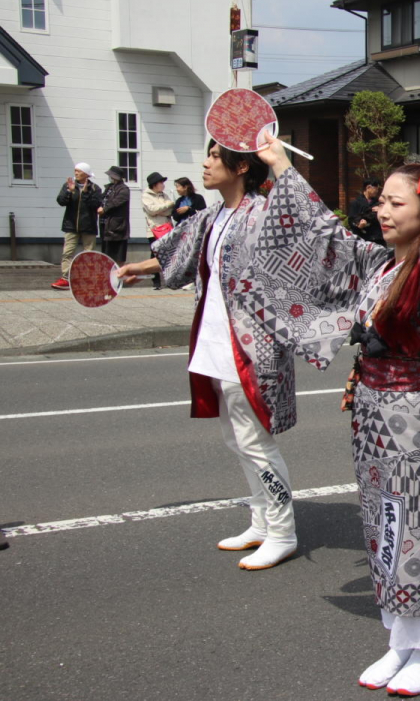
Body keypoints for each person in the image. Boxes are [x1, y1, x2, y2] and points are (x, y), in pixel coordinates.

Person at [234, 106, 420, 695]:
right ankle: (399, 635)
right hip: (371, 414)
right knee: (382, 523)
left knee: (416, 524)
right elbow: (321, 236)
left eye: (398, 202)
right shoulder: (376, 263)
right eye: (382, 201)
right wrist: (278, 169)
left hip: (412, 417)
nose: (382, 210)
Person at [117, 145, 299, 571]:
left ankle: (283, 530)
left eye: (215, 156)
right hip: (215, 341)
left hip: (251, 348)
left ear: (240, 167)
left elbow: (299, 248)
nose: (205, 163)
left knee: (256, 443)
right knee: (236, 439)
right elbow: (175, 254)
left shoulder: (263, 214)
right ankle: (260, 522)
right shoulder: (212, 215)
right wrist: (135, 268)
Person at [51, 162, 101, 289]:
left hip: (88, 226)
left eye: (78, 171)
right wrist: (70, 191)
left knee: (88, 253)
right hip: (71, 225)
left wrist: (84, 194)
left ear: (86, 174)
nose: (76, 173)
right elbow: (61, 201)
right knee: (67, 252)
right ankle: (65, 278)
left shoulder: (95, 188)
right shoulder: (68, 185)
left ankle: (87, 278)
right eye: (75, 170)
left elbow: (95, 205)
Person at [142, 172, 174, 290]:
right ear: (154, 184)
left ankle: (169, 279)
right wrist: (166, 206)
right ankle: (156, 282)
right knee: (155, 255)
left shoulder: (164, 195)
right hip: (154, 229)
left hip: (167, 228)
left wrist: (161, 210)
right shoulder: (146, 195)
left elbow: (170, 211)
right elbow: (151, 210)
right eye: (161, 182)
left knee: (168, 254)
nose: (163, 185)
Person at [98, 167, 131, 264]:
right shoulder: (109, 187)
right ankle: (108, 275)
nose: (109, 177)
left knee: (117, 253)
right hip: (105, 224)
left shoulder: (124, 189)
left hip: (117, 226)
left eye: (111, 175)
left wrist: (104, 209)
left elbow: (115, 202)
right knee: (106, 252)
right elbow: (101, 199)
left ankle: (118, 275)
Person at [349, 179, 385, 244]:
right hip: (362, 238)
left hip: (378, 238)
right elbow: (351, 220)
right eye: (375, 189)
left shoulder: (379, 203)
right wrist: (359, 225)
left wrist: (381, 210)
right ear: (368, 188)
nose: (377, 191)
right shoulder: (356, 203)